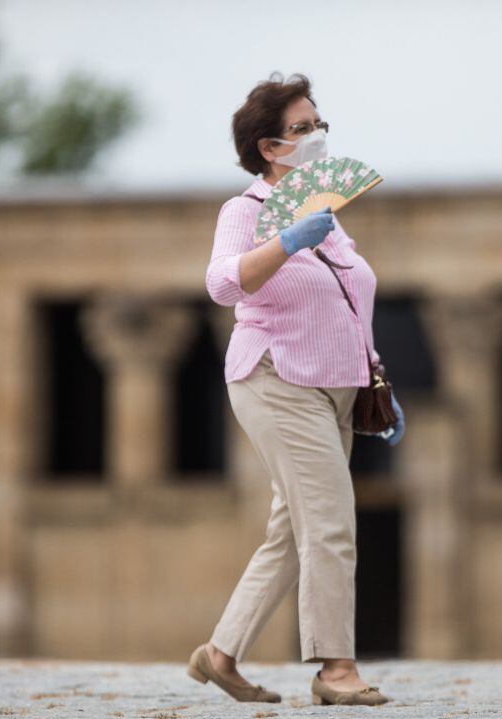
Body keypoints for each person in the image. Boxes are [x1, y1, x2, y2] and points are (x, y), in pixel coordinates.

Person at [185, 72, 403, 706]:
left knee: (294, 528)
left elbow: (347, 300)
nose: (316, 137)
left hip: (337, 384)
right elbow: (222, 284)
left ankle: (220, 654)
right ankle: (335, 670)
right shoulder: (247, 211)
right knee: (332, 522)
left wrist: (376, 377)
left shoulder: (328, 217)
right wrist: (281, 244)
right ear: (268, 148)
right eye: (300, 129)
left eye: (318, 124)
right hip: (276, 377)